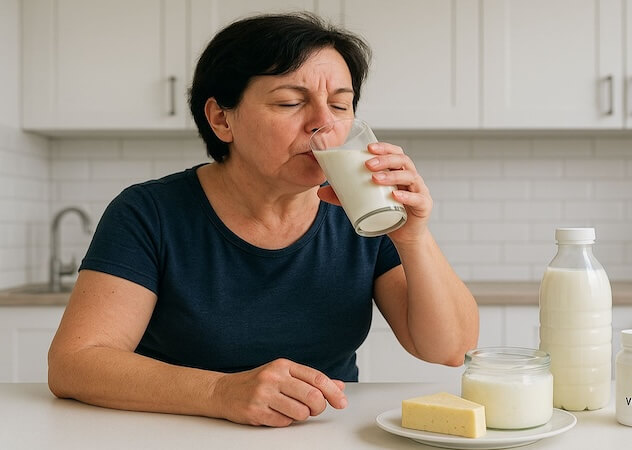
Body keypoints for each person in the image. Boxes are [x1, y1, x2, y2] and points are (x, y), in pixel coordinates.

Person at [47, 12, 479, 427]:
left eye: (340, 105)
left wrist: (413, 236)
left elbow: (451, 350)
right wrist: (221, 392)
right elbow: (76, 362)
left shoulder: (362, 211)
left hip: (327, 430)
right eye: (291, 102)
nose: (323, 124)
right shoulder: (149, 212)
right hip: (178, 431)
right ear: (221, 119)